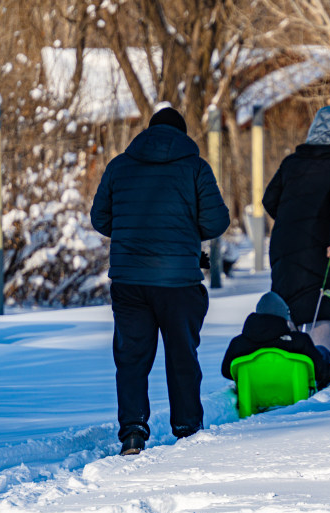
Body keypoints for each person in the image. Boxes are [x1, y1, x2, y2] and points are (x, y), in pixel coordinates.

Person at [91, 107, 230, 456]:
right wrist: (183, 231)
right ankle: (186, 429)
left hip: (129, 280)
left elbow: (100, 219)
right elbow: (215, 223)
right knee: (182, 355)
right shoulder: (195, 168)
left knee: (131, 358)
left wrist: (132, 231)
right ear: (182, 135)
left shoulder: (120, 166)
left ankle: (133, 433)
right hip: (179, 281)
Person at [263, 106, 330, 357]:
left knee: (287, 305)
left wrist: (290, 221)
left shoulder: (291, 163)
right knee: (320, 307)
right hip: (321, 247)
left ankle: (287, 363)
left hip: (285, 244)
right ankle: (320, 367)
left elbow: (269, 199)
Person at [221, 292, 330, 390]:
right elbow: (319, 371)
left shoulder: (238, 343)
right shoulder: (298, 341)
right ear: (284, 316)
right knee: (321, 352)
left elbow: (227, 371)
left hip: (255, 393)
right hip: (294, 390)